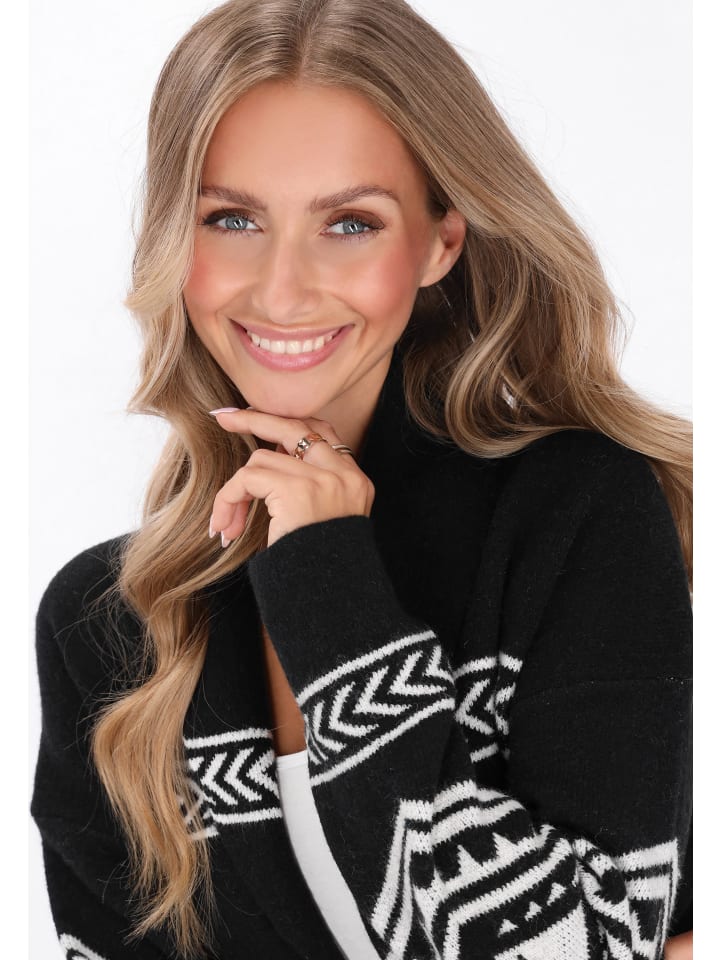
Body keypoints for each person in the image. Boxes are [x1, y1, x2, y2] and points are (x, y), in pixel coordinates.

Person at [31, 1, 693, 958]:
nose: (282, 289)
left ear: (439, 244)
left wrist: (331, 588)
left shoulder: (575, 516)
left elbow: (592, 944)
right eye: (231, 219)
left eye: (349, 222)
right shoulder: (107, 620)